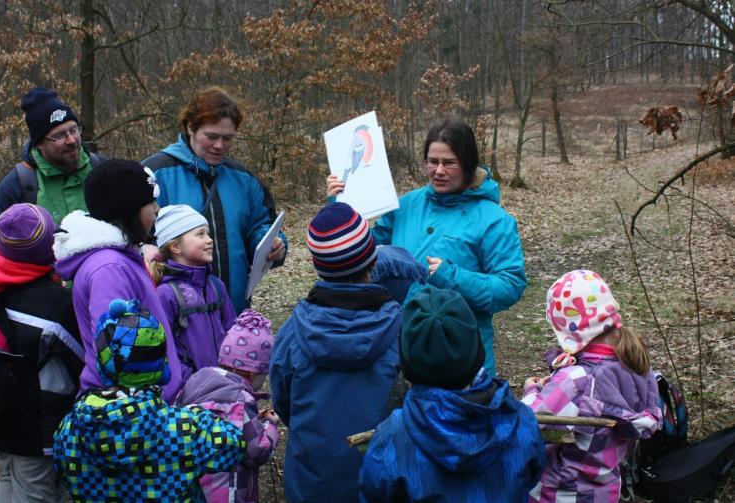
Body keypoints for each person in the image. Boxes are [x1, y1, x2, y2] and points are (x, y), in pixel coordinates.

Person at [327, 118, 526, 377]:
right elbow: (362, 252)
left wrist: (453, 277)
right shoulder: (406, 205)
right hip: (399, 349)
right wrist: (340, 204)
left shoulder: (494, 220)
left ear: (468, 164)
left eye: (449, 163)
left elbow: (510, 285)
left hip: (461, 357)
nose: (439, 171)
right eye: (433, 162)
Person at [359, 285, 545, 503]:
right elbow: (533, 476)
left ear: (407, 363)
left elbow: (373, 494)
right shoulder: (522, 422)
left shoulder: (391, 438)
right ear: (477, 352)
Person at [269, 202, 401, 503]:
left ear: (319, 266)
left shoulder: (292, 333)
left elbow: (283, 400)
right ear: (372, 261)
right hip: (383, 477)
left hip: (313, 481)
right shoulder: (401, 328)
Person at [52, 299, 246, 502]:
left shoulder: (69, 430)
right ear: (162, 368)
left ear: (103, 365)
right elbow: (234, 447)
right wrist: (199, 414)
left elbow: (62, 472)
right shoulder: (186, 428)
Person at [143, 86, 287, 314]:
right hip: (177, 316)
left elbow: (261, 226)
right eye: (211, 137)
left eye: (227, 138)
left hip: (235, 310)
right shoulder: (154, 174)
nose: (220, 146)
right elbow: (136, 239)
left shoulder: (244, 180)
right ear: (190, 127)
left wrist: (274, 244)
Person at [522, 270, 662, 502]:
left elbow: (532, 425)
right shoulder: (636, 365)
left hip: (560, 492)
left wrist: (532, 391)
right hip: (604, 489)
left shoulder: (576, 380)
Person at [53, 159, 183, 401]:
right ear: (127, 209)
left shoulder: (119, 258)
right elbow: (120, 350)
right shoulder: (109, 269)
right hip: (132, 411)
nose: (157, 209)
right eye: (150, 202)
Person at [0, 204, 83, 502]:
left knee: (9, 475)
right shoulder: (55, 304)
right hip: (37, 422)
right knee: (34, 491)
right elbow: (81, 358)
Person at [176, 309, 279, 503]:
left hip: (193, 488)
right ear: (251, 373)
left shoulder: (195, 383)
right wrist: (270, 426)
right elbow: (256, 452)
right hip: (229, 493)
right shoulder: (242, 400)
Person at [0, 88, 103, 248]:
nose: (71, 140)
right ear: (40, 143)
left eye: (73, 130)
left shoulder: (101, 169)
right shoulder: (16, 187)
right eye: (59, 135)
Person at [150, 204, 236, 385]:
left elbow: (233, 332)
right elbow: (163, 351)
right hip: (190, 390)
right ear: (175, 247)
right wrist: (191, 380)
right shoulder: (166, 294)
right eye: (200, 234)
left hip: (225, 383)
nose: (210, 240)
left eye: (208, 233)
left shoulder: (216, 285)